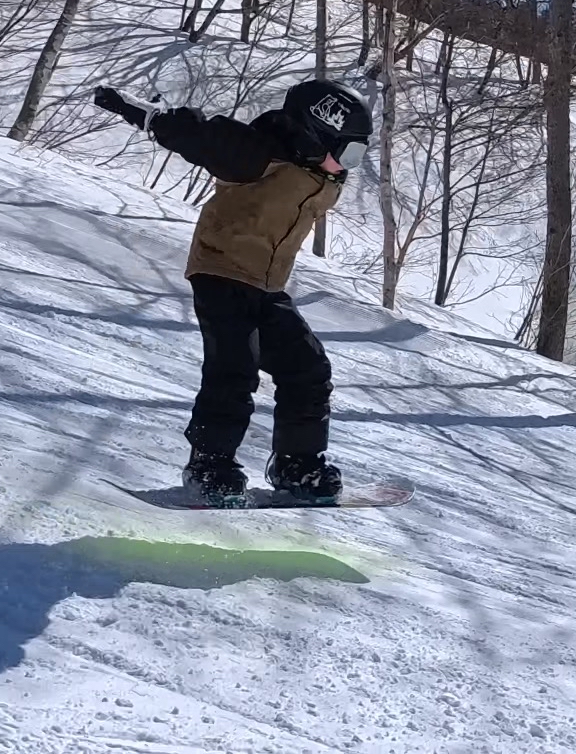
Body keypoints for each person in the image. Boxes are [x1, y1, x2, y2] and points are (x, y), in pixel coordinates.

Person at [91, 79, 373, 506]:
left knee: (307, 368)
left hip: (266, 284)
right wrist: (136, 111)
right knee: (235, 368)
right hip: (221, 271)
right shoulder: (255, 154)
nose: (348, 167)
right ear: (314, 134)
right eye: (348, 153)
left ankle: (298, 465)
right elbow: (193, 134)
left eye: (358, 156)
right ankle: (209, 464)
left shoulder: (320, 171)